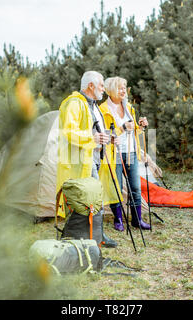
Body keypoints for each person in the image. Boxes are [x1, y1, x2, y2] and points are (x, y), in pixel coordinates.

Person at [56, 71, 121, 248]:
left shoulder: (93, 105)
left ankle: (97, 234)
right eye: (101, 85)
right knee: (80, 198)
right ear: (90, 86)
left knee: (94, 197)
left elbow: (96, 130)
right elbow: (69, 131)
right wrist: (92, 139)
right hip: (80, 161)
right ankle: (78, 236)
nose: (104, 89)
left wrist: (108, 137)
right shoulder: (74, 103)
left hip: (93, 158)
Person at [99, 76, 151, 231]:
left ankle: (137, 220)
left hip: (131, 152)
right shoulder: (103, 110)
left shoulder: (128, 106)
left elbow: (133, 127)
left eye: (124, 87)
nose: (124, 91)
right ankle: (118, 220)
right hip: (114, 153)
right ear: (111, 90)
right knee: (116, 186)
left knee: (135, 187)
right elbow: (104, 134)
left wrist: (140, 126)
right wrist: (122, 128)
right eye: (120, 88)